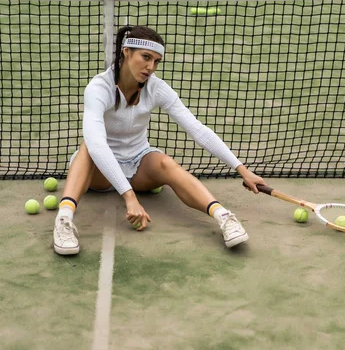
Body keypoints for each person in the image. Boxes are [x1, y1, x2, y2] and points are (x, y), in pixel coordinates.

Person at [53, 25, 265, 255]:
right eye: (145, 57)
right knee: (88, 147)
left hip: (138, 168)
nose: (150, 67)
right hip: (99, 174)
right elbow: (97, 144)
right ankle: (63, 220)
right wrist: (129, 197)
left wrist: (241, 169)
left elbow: (197, 129)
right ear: (126, 52)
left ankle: (223, 216)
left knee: (165, 162)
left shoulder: (157, 88)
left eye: (156, 61)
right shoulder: (98, 88)